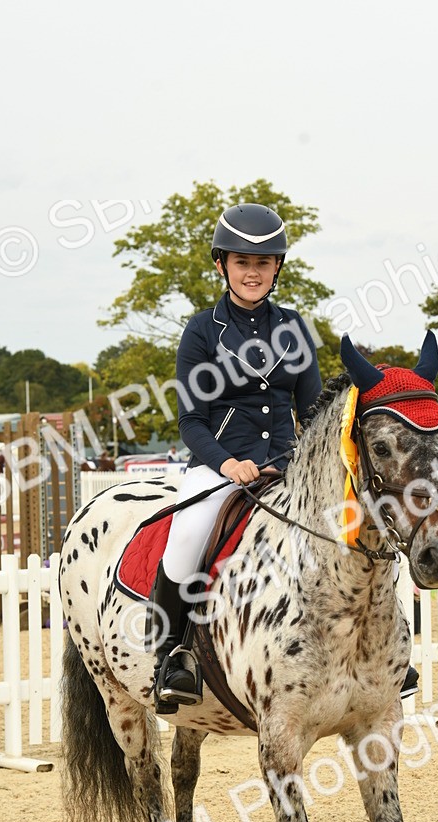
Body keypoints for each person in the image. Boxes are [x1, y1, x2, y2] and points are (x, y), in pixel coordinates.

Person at [152, 202, 322, 710]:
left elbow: (312, 412)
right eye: (242, 261)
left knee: (355, 526)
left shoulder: (295, 329)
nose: (253, 272)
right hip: (219, 466)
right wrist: (228, 464)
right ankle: (172, 656)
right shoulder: (202, 331)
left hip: (289, 469)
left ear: (276, 270)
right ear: (222, 264)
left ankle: (388, 656)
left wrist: (300, 463)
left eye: (263, 263)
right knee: (185, 538)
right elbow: (190, 421)